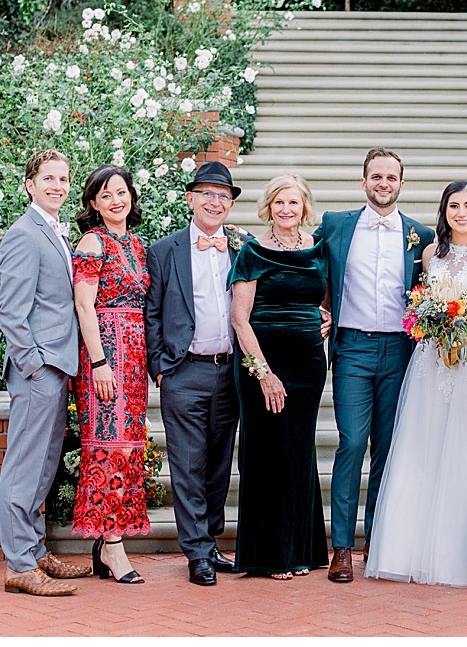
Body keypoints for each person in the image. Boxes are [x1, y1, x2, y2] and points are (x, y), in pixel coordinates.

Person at [364, 180, 467, 587]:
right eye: (454, 206)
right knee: (422, 449)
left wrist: (466, 337)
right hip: (431, 364)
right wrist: (429, 327)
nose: (462, 213)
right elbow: (419, 308)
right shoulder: (431, 252)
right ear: (444, 211)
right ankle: (408, 548)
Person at [313, 148, 435, 583]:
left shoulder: (419, 235)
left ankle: (377, 540)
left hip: (400, 351)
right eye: (376, 176)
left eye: (391, 177)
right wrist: (317, 311)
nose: (383, 183)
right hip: (353, 349)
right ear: (363, 181)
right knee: (350, 444)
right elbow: (304, 270)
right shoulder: (334, 226)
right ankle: (342, 547)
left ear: (402, 184)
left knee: (387, 449)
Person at [0, 149, 92, 596]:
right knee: (24, 467)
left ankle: (34, 552)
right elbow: (12, 314)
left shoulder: (56, 230)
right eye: (48, 178)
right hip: (39, 369)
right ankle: (18, 564)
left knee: (43, 467)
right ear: (29, 184)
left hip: (58, 366)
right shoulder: (23, 234)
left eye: (64, 178)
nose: (57, 185)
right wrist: (33, 366)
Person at [144, 161, 245, 587]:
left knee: (219, 464)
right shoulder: (164, 250)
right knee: (187, 464)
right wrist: (160, 368)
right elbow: (151, 313)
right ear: (190, 198)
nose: (214, 201)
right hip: (183, 371)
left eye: (223, 195)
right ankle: (196, 554)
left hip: (229, 371)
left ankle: (210, 541)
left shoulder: (244, 248)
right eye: (206, 193)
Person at [229, 173, 330, 580]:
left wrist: (327, 317)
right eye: (278, 203)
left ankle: (299, 549)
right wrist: (265, 374)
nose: (286, 209)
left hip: (308, 364)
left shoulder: (318, 249)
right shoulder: (252, 251)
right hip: (262, 365)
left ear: (304, 206)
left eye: (293, 202)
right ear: (268, 207)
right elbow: (239, 319)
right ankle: (269, 555)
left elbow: (324, 297)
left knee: (299, 453)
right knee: (267, 453)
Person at [71, 164, 152, 584]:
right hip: (106, 358)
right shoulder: (92, 242)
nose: (116, 200)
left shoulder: (137, 245)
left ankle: (106, 544)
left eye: (121, 192)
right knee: (108, 446)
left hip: (135, 361)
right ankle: (115, 547)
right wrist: (100, 362)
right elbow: (84, 305)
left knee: (129, 447)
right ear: (93, 204)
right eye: (105, 195)